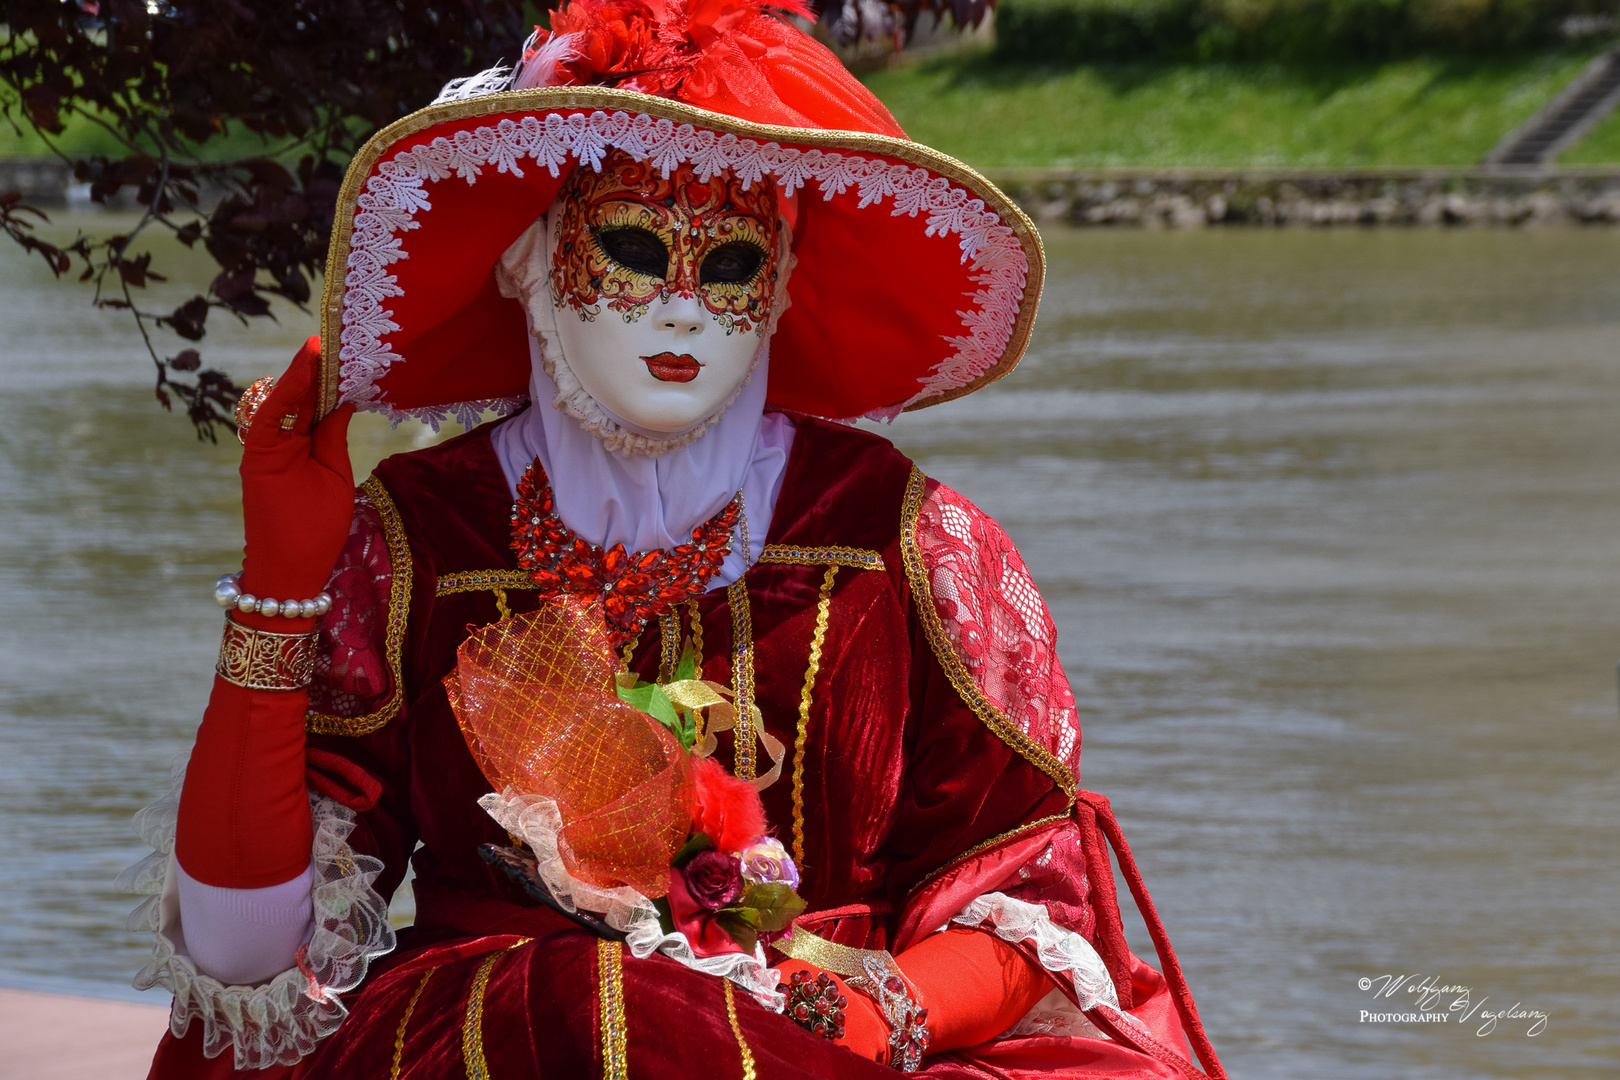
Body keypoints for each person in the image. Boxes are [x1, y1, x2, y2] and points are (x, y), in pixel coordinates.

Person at [123, 2, 1226, 1077]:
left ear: (784, 284)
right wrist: (279, 587)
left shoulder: (915, 547)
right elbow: (245, 959)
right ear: (525, 260)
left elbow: (1027, 885)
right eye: (636, 249)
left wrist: (868, 1013)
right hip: (497, 1042)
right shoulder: (412, 541)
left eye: (733, 265)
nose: (685, 309)